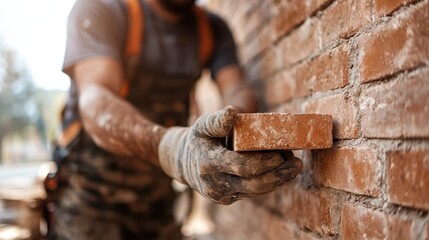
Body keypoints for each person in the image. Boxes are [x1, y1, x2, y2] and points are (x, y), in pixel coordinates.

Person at [53, 0, 303, 239]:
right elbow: (96, 101)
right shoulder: (103, 8)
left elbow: (237, 88)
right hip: (90, 199)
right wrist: (173, 148)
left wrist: (228, 128)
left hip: (157, 200)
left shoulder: (211, 28)